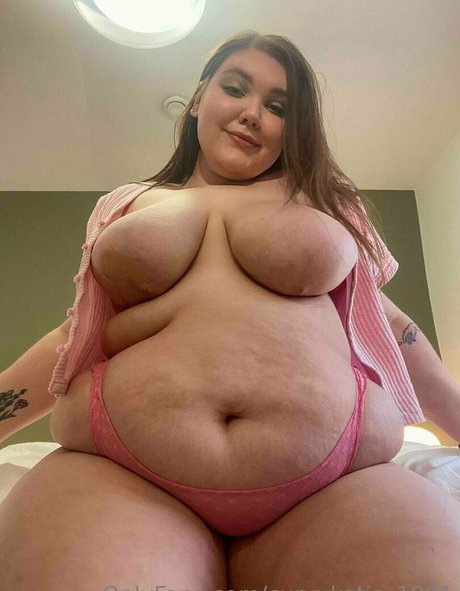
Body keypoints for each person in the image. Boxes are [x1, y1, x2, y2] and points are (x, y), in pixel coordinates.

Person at [1, 30, 460, 590]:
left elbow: (386, 325)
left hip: (331, 484)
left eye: (278, 107)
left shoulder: (324, 199)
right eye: (236, 88)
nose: (252, 113)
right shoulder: (128, 201)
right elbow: (76, 333)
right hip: (126, 476)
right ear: (198, 99)